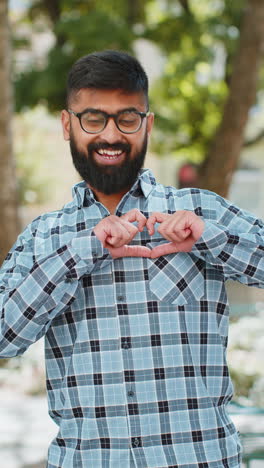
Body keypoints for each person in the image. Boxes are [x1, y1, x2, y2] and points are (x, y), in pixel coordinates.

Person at [0, 50, 263, 468]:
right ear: (68, 125)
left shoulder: (199, 211)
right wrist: (80, 251)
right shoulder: (43, 237)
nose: (110, 135)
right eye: (93, 119)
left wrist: (208, 237)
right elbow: (4, 334)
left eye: (127, 119)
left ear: (148, 125)